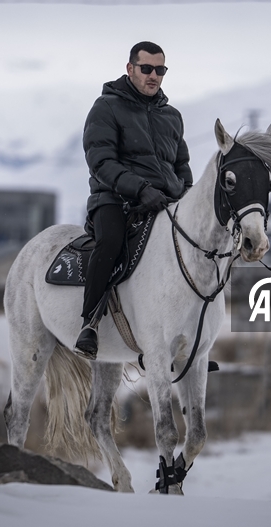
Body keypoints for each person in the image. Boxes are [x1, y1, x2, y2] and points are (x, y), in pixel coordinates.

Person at [74, 41, 192, 359]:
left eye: (160, 70)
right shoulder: (106, 108)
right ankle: (90, 324)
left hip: (164, 203)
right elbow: (100, 161)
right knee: (110, 243)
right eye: (147, 69)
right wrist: (140, 189)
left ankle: (191, 338)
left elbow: (182, 167)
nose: (154, 76)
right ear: (131, 69)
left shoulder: (172, 116)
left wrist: (187, 198)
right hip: (114, 200)